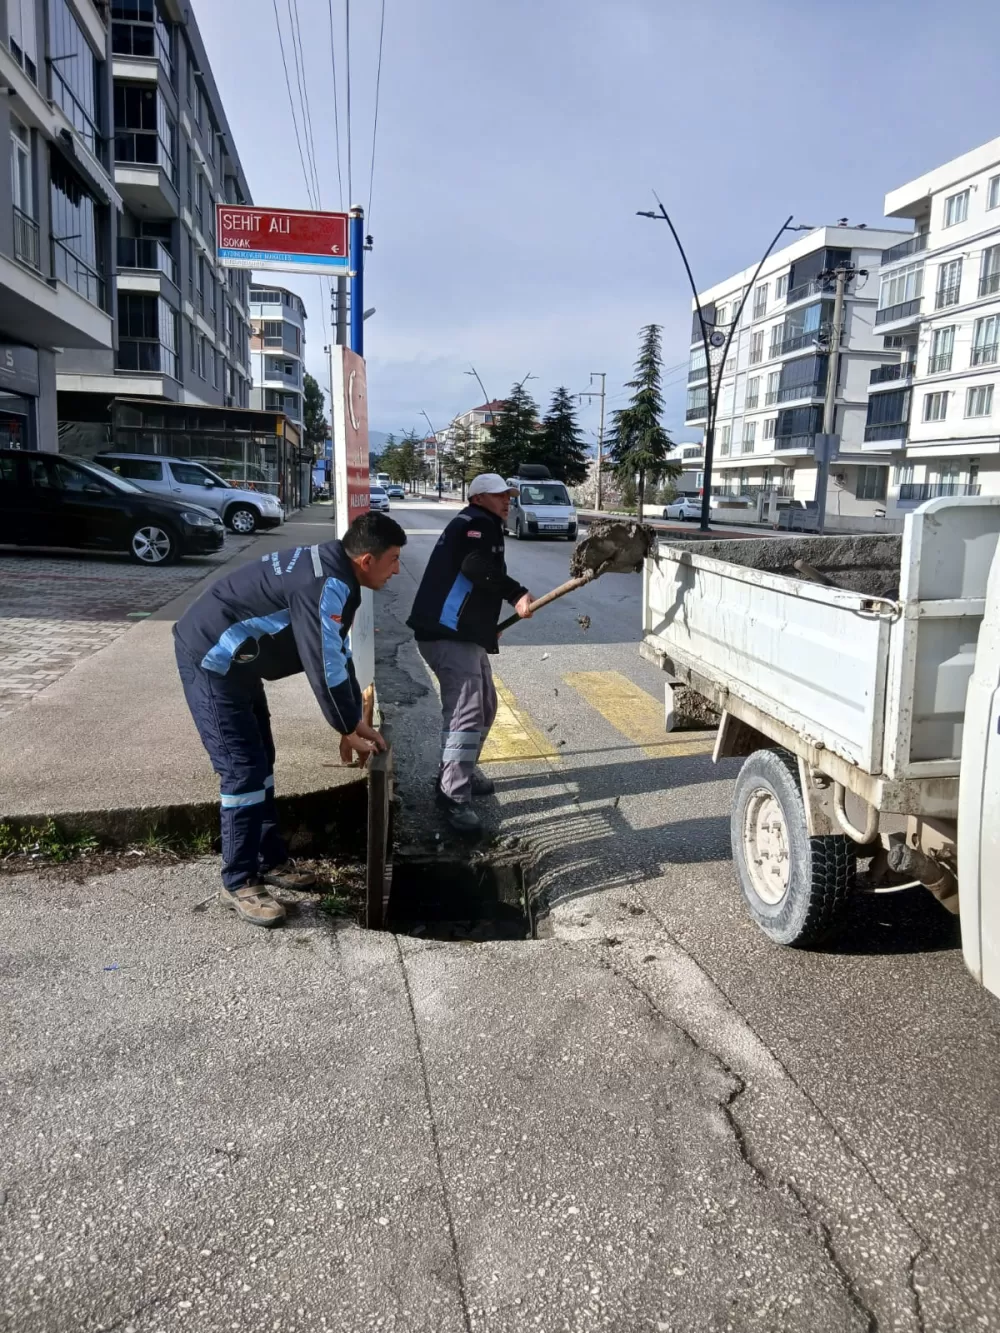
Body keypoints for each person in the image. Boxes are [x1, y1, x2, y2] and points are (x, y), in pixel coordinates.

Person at [173, 511, 407, 927]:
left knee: (262, 759)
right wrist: (345, 728)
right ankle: (239, 880)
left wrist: (355, 719)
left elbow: (336, 651)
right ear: (367, 560)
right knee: (242, 770)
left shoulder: (335, 570)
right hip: (212, 658)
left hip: (240, 663)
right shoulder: (328, 583)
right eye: (393, 559)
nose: (397, 569)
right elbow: (324, 663)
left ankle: (269, 859)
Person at [407, 472, 533, 833]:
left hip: (462, 634)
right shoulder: (478, 522)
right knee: (466, 715)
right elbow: (475, 567)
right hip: (448, 636)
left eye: (508, 495)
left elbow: (468, 582)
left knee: (486, 707)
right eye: (498, 496)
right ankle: (452, 796)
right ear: (478, 498)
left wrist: (483, 625)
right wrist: (516, 593)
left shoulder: (476, 522)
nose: (506, 501)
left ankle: (460, 771)